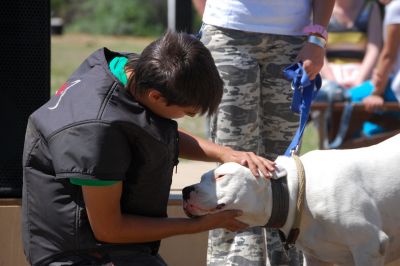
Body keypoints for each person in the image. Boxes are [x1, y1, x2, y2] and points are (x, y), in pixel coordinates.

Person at [21, 31, 276, 266]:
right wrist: (201, 225)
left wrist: (225, 153)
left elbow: (150, 131)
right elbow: (110, 229)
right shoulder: (96, 135)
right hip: (79, 254)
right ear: (155, 96)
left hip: (110, 244)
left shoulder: (131, 70)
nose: (184, 119)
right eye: (186, 113)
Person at [197, 0, 334, 265]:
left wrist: (317, 38)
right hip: (228, 32)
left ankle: (284, 258)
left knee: (282, 168)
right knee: (234, 161)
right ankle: (234, 260)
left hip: (294, 38)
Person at [347, 0, 400, 135]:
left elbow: (388, 55)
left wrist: (376, 93)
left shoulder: (396, 7)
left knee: (347, 99)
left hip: (395, 88)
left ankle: (345, 147)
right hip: (391, 83)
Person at [320, 0, 383, 90]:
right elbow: (317, 50)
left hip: (362, 77)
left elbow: (374, 49)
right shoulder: (320, 8)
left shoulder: (371, 7)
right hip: (327, 79)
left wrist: (358, 82)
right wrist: (333, 83)